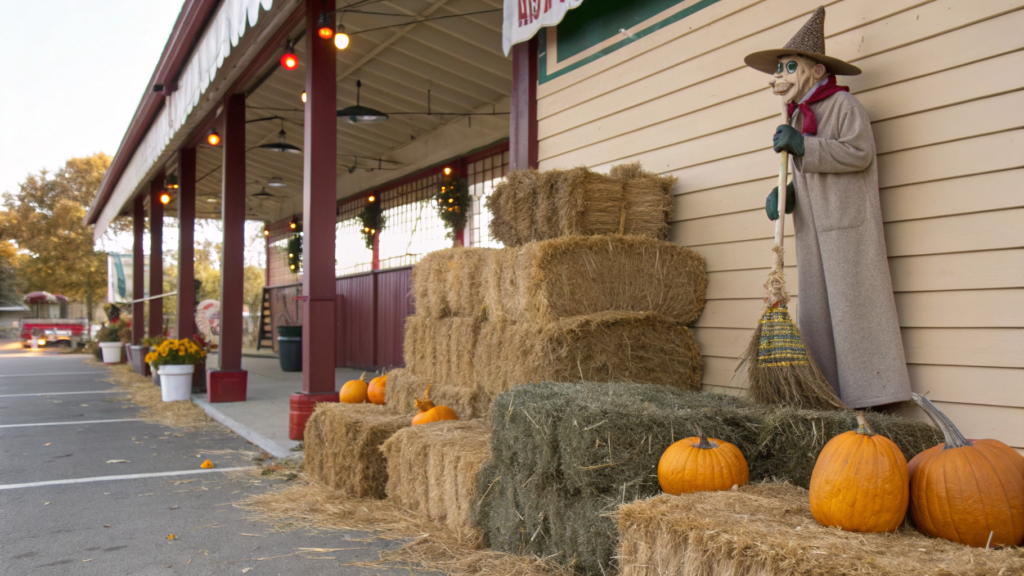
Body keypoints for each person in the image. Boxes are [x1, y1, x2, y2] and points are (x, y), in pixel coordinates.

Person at [743, 6, 911, 408]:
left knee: (855, 310)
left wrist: (804, 146)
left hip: (847, 226)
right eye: (777, 70)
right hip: (813, 230)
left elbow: (857, 154)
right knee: (818, 313)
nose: (779, 77)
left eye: (788, 67)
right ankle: (828, 396)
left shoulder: (842, 107)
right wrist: (787, 195)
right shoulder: (799, 118)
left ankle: (873, 396)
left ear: (816, 71)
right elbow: (808, 171)